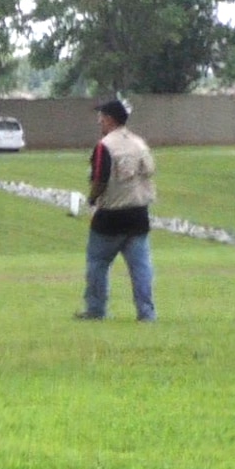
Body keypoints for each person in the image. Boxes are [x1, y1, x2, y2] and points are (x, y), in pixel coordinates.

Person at [77, 98, 156, 322]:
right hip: (139, 215)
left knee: (97, 264)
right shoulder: (140, 143)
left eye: (101, 118)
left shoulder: (104, 146)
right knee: (141, 268)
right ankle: (146, 313)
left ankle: (95, 310)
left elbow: (100, 179)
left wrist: (92, 199)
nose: (99, 122)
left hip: (110, 217)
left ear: (110, 119)